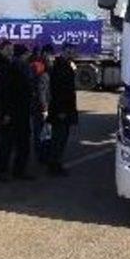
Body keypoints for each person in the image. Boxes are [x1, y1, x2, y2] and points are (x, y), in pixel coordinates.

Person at [0, 44, 34, 180]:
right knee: (7, 143)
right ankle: (2, 170)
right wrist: (7, 113)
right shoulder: (11, 69)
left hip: (23, 112)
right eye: (26, 54)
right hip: (13, 112)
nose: (28, 57)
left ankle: (19, 170)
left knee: (23, 143)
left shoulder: (24, 68)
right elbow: (6, 93)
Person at [46, 45, 79, 175]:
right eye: (71, 51)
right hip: (61, 110)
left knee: (62, 138)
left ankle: (56, 163)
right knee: (58, 138)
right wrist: (61, 111)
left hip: (65, 109)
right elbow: (58, 91)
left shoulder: (66, 65)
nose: (73, 54)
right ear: (65, 52)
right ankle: (54, 165)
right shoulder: (60, 67)